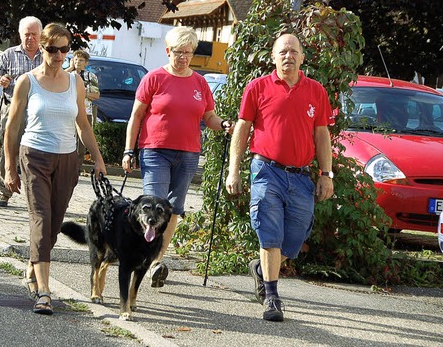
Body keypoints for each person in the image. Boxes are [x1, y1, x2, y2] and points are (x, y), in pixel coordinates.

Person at [225, 33, 334, 322]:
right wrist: (233, 169)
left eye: (293, 51)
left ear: (302, 57)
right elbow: (242, 129)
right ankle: (272, 297)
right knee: (269, 232)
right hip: (266, 170)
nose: (288, 56)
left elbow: (322, 134)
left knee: (294, 241)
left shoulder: (316, 91)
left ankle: (261, 269)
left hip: (300, 176)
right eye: (282, 51)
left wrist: (326, 173)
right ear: (273, 56)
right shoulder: (257, 88)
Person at [3, 23, 107, 315]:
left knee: (54, 223)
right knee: (41, 218)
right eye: (53, 49)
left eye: (64, 49)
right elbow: (12, 128)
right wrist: (11, 167)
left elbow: (83, 125)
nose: (59, 55)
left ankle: (33, 265)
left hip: (67, 159)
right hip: (34, 155)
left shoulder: (76, 82)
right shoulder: (27, 81)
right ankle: (44, 291)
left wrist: (97, 158)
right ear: (42, 48)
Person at [121, 26, 234, 289]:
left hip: (188, 154)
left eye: (188, 52)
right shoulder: (154, 78)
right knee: (154, 206)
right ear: (168, 51)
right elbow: (136, 116)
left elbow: (209, 117)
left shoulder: (200, 83)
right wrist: (129, 151)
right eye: (179, 52)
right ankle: (144, 253)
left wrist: (224, 124)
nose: (183, 57)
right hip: (155, 150)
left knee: (173, 210)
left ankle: (156, 261)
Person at [0, 16, 43, 207]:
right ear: (20, 34)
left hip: (39, 110)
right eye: (26, 34)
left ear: (41, 35)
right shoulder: (9, 54)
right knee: (10, 148)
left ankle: (36, 193)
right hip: (13, 106)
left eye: (34, 35)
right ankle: (4, 190)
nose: (30, 38)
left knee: (37, 151)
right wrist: (0, 80)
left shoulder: (47, 55)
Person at [65, 49, 100, 164]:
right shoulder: (68, 75)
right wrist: (70, 68)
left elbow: (96, 95)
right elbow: (57, 78)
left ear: (86, 63)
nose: (78, 62)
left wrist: (81, 92)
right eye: (75, 60)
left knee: (81, 142)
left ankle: (78, 166)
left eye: (81, 60)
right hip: (68, 111)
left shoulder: (91, 76)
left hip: (85, 111)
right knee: (68, 139)